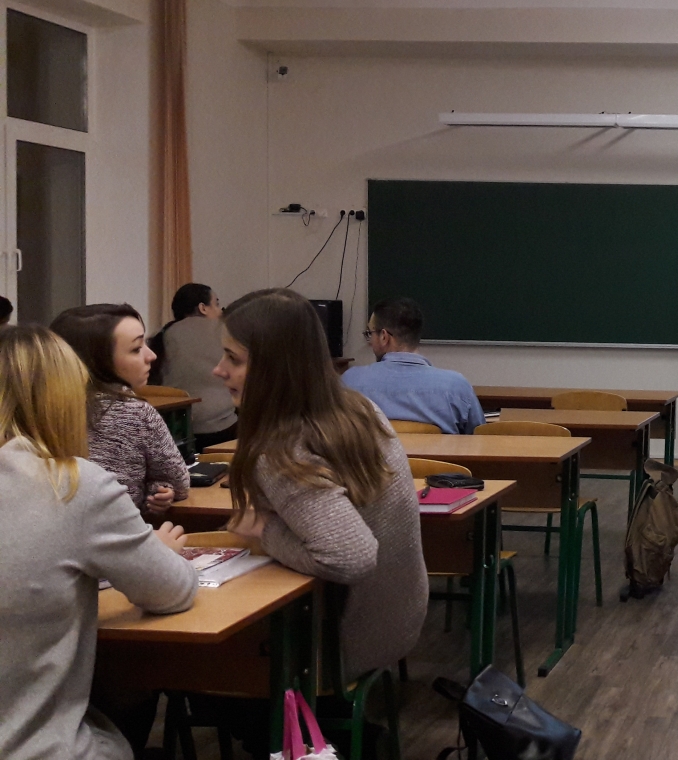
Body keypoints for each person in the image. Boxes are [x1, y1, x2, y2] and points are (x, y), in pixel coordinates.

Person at [0, 325, 196, 760]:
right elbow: (173, 590)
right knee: (127, 692)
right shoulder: (73, 485)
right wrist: (159, 553)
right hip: (37, 749)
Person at [214, 289, 426, 683]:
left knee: (162, 655)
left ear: (276, 368)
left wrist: (263, 528)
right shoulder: (358, 408)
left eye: (233, 359)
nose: (218, 370)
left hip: (336, 648)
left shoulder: (282, 450)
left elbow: (351, 557)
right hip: (394, 623)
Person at [50, 304, 191, 515]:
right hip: (116, 531)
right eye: (136, 349)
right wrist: (156, 490)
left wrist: (154, 487)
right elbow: (179, 483)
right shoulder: (135, 413)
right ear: (98, 361)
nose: (151, 355)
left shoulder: (36, 410)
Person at [341, 297, 486, 434]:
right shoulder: (456, 386)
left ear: (384, 337)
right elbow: (480, 439)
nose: (370, 341)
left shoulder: (350, 381)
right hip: (435, 454)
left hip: (374, 454)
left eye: (370, 333)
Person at [150, 283, 238, 449]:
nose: (220, 311)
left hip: (176, 430)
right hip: (222, 428)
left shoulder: (161, 335)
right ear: (203, 308)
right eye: (216, 304)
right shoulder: (224, 329)